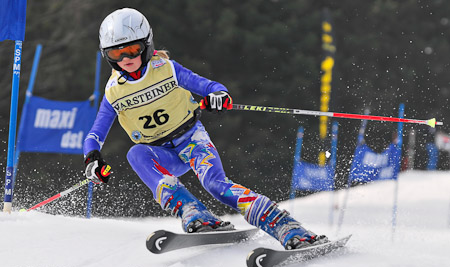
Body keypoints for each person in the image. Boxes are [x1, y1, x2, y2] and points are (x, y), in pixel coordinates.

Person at [83, 7, 328, 250]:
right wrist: (92, 159)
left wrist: (218, 96)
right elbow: (96, 134)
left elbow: (210, 86)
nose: (125, 59)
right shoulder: (114, 91)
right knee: (135, 153)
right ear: (107, 55)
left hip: (192, 141)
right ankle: (192, 211)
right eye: (116, 53)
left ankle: (285, 226)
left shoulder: (167, 69)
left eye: (132, 50)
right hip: (162, 153)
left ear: (146, 45)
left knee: (215, 184)